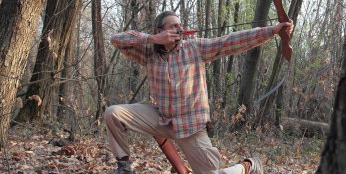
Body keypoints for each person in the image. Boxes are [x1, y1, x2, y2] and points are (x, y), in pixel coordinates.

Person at [105, 11, 294, 174]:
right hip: (161, 118)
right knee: (113, 113)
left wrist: (272, 31)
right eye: (173, 26)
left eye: (180, 25)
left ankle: (247, 167)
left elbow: (230, 42)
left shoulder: (194, 48)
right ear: (159, 31)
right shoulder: (148, 52)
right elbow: (116, 39)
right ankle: (124, 167)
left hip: (190, 126)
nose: (179, 29)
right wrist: (152, 39)